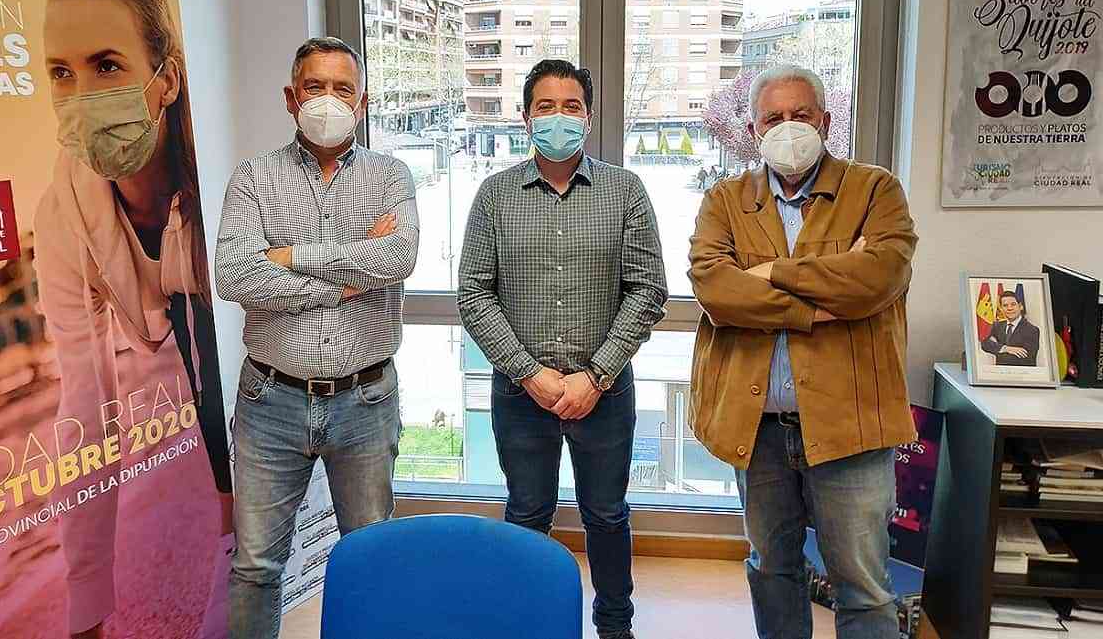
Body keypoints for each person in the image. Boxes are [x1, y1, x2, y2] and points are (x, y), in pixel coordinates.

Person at [33, 0, 231, 639]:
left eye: (107, 65)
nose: (82, 96)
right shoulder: (63, 216)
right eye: (62, 73)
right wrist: (86, 607)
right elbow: (86, 407)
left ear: (166, 80)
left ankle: (234, 541)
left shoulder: (219, 180)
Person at [688, 64, 918, 639]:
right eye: (773, 118)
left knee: (863, 585)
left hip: (851, 425)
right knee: (772, 569)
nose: (788, 127)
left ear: (826, 121)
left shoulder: (875, 190)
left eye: (801, 115)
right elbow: (716, 290)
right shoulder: (725, 200)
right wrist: (817, 304)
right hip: (758, 426)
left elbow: (880, 277)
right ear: (753, 129)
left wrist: (771, 273)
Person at [215, 36, 419, 639]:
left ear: (362, 102)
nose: (328, 100)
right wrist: (345, 282)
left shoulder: (390, 176)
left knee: (369, 560)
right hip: (270, 402)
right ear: (290, 97)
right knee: (256, 565)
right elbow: (234, 276)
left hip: (366, 401)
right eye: (314, 87)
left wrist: (292, 256)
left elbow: (399, 257)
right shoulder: (254, 177)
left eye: (342, 89)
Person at [458, 59, 668, 639]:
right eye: (545, 106)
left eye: (571, 106)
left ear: (589, 117)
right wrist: (530, 374)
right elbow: (473, 292)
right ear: (526, 118)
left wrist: (595, 375)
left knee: (607, 515)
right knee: (527, 515)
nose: (558, 117)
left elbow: (648, 289)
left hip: (605, 392)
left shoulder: (625, 191)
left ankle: (615, 626)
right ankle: (525, 624)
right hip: (520, 394)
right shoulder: (495, 195)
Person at [981, 290, 1040, 366]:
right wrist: (1006, 348)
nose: (1009, 308)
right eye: (1005, 305)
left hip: (1021, 372)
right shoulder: (997, 326)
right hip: (1000, 371)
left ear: (1020, 306)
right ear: (1001, 308)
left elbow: (1026, 358)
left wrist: (997, 348)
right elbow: (985, 344)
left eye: (1013, 304)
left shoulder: (1032, 330)